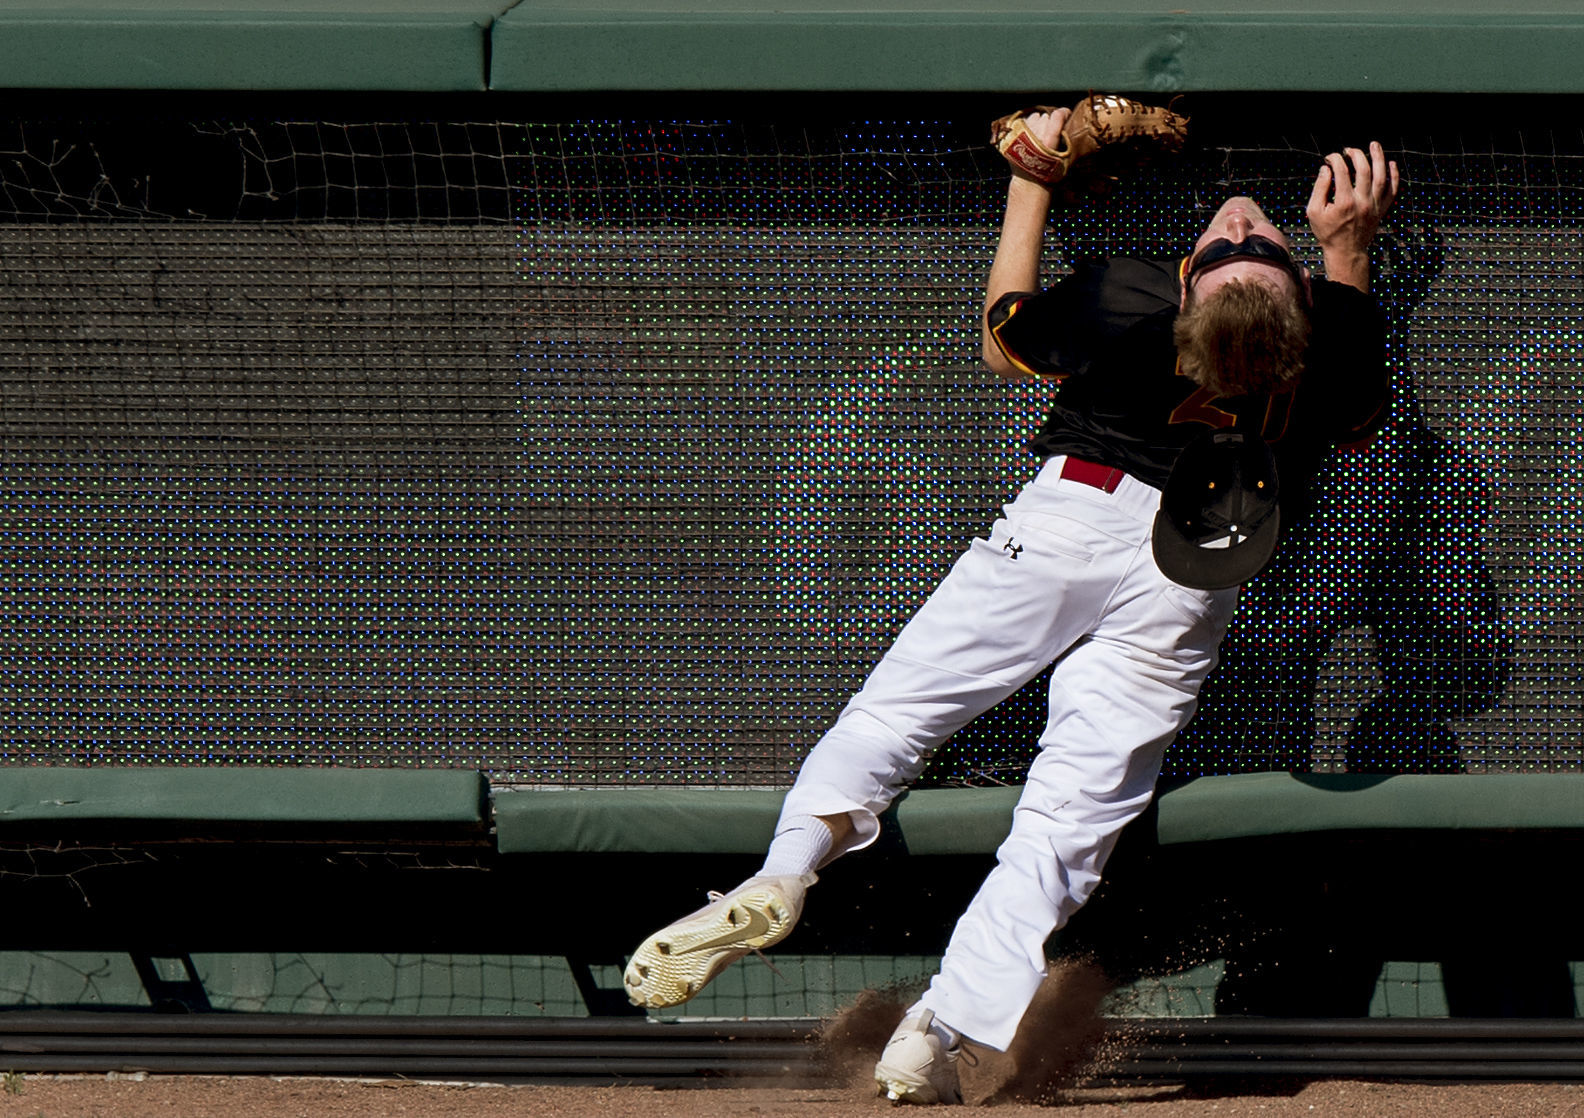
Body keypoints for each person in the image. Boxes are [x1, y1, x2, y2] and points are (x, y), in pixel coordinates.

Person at [622, 103, 1399, 1105]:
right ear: (1294, 303)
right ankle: (937, 1027)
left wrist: (1031, 178)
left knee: (898, 714)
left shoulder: (1129, 295)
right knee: (1064, 824)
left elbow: (1004, 340)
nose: (1244, 221)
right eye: (1252, 241)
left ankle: (785, 869)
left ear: (1188, 286)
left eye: (1236, 243)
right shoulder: (1328, 341)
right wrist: (1347, 250)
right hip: (1195, 562)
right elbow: (1358, 415)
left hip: (1076, 513)